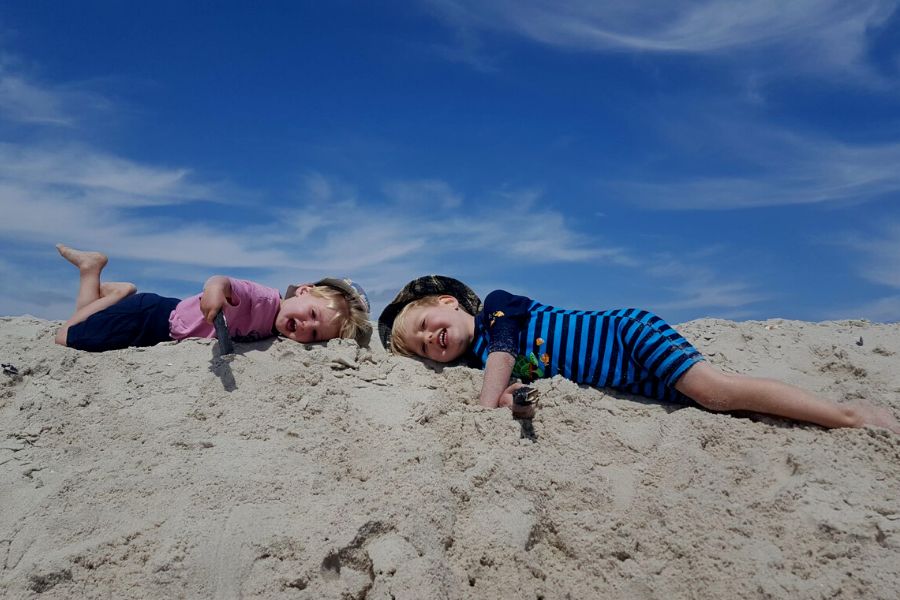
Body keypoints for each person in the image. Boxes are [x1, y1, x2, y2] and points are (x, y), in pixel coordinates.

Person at [378, 275, 900, 432]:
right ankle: (810, 414)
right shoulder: (484, 361)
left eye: (428, 325)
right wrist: (518, 403)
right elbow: (518, 384)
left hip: (629, 337)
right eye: (425, 347)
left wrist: (486, 404)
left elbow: (507, 349)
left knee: (717, 392)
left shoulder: (496, 310)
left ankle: (847, 415)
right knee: (721, 405)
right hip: (632, 383)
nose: (433, 341)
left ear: (447, 302)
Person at [54, 244, 371, 351]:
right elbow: (223, 281)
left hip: (162, 325)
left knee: (84, 326)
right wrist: (215, 293)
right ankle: (107, 282)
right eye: (312, 315)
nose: (305, 327)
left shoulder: (276, 332)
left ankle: (103, 286)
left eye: (314, 335)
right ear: (303, 291)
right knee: (65, 336)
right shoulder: (264, 299)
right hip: (151, 317)